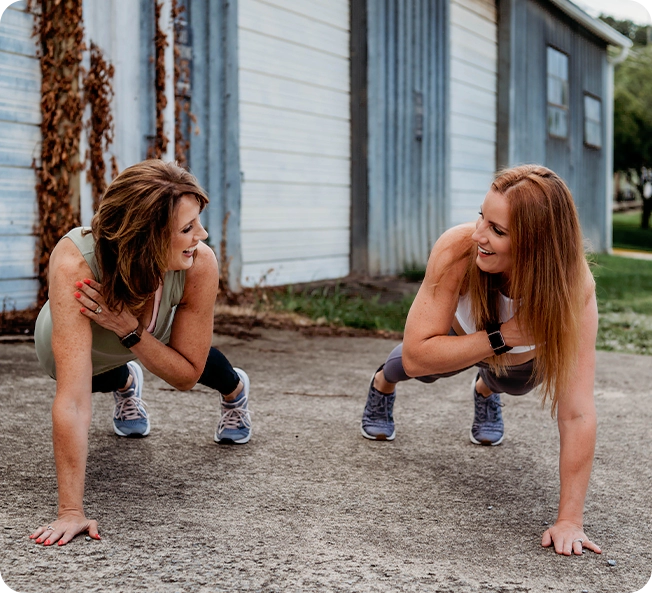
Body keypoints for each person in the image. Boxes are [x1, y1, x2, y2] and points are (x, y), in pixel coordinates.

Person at [360, 164, 601, 557]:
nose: (478, 235)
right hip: (458, 336)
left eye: (497, 231)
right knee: (408, 368)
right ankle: (380, 384)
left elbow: (577, 412)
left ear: (536, 245)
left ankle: (486, 387)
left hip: (518, 359)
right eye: (481, 217)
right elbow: (420, 353)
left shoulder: (574, 287)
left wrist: (570, 520)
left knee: (517, 382)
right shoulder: (458, 248)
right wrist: (502, 336)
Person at [30, 159, 252, 547]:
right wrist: (71, 512)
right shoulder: (74, 261)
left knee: (186, 355)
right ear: (146, 237)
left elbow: (185, 376)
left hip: (138, 330)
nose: (202, 234)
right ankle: (126, 380)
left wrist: (128, 329)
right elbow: (73, 400)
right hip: (73, 336)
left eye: (197, 221)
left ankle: (235, 391)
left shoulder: (198, 263)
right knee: (90, 372)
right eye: (187, 228)